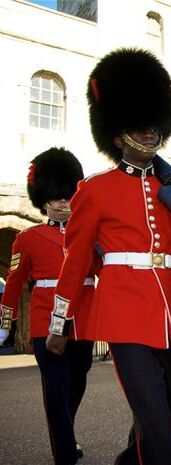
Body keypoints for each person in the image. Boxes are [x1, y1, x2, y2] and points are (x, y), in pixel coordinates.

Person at [45, 48, 171, 465]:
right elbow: (76, 261)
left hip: (168, 315)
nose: (151, 132)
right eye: (140, 125)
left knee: (160, 411)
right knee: (156, 420)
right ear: (119, 136)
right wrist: (59, 321)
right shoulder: (94, 190)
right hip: (122, 314)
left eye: (154, 124)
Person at [0, 147, 96, 465]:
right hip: (46, 320)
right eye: (57, 198)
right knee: (55, 386)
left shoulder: (91, 234)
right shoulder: (28, 238)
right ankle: (65, 452)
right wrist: (6, 317)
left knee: (78, 378)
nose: (64, 202)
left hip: (83, 317)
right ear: (45, 201)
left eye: (68, 196)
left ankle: (65, 431)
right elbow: (14, 280)